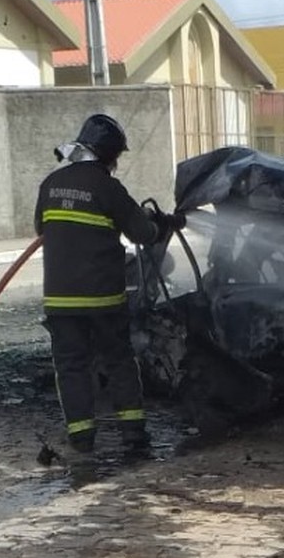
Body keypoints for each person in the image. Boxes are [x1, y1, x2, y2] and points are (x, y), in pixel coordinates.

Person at [34, 114, 184, 462]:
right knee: (118, 360)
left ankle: (82, 438)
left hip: (60, 299)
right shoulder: (108, 188)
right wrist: (163, 225)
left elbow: (41, 228)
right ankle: (133, 434)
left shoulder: (50, 184)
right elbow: (144, 235)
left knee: (71, 366)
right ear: (109, 155)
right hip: (103, 297)